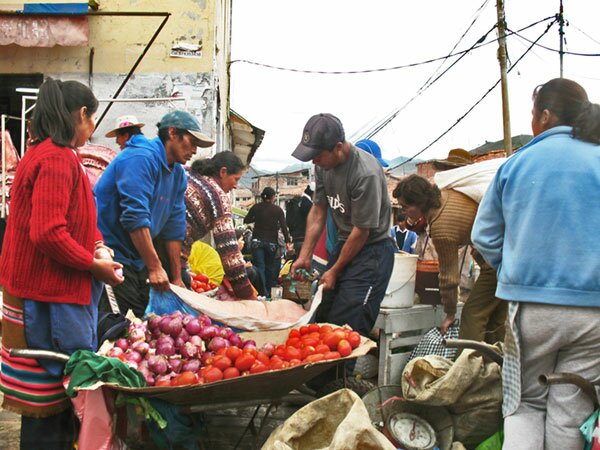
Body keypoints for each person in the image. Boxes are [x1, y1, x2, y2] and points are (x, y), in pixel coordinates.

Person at [472, 78, 600, 449]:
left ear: (544, 116)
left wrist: (514, 268)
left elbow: (484, 237)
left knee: (525, 403)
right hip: (594, 312)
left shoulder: (517, 164)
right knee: (571, 409)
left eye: (532, 113)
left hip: (533, 310)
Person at [0, 77, 123, 449]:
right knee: (54, 400)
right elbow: (48, 233)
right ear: (82, 114)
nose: (91, 130)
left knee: (55, 401)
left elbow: (71, 221)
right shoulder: (55, 158)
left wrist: (98, 245)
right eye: (92, 121)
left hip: (48, 292)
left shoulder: (47, 154)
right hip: (50, 297)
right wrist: (93, 264)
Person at [94, 110, 214, 317]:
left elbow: (174, 226)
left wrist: (176, 276)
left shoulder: (177, 173)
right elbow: (135, 217)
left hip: (139, 256)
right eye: (192, 142)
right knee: (118, 323)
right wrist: (155, 267)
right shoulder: (140, 158)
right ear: (173, 133)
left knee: (145, 319)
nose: (194, 150)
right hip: (112, 252)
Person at [291, 113, 395, 337]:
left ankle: (342, 372)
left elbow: (361, 231)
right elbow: (318, 209)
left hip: (372, 252)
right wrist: (305, 255)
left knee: (345, 326)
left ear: (338, 147)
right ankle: (320, 372)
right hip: (343, 243)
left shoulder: (365, 173)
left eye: (317, 155)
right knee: (322, 313)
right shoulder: (323, 167)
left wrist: (335, 270)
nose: (313, 161)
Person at [393, 174, 505, 342]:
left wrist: (450, 313)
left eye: (406, 207)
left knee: (472, 314)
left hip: (499, 263)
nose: (404, 212)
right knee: (494, 318)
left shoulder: (441, 227)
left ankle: (467, 366)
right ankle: (494, 363)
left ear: (419, 203)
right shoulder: (445, 195)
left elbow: (449, 277)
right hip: (509, 256)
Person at [183, 151, 257, 300]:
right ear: (223, 172)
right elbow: (229, 253)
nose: (236, 186)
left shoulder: (187, 173)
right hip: (166, 255)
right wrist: (248, 296)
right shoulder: (217, 197)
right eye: (235, 179)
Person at [244, 186, 292, 297]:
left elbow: (247, 220)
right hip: (271, 243)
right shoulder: (278, 210)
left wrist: (257, 218)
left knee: (260, 266)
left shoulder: (256, 207)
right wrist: (288, 242)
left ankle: (262, 293)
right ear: (272, 197)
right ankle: (269, 293)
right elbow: (284, 227)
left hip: (257, 241)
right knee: (269, 268)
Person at [286, 182, 314, 257]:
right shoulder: (308, 204)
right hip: (305, 240)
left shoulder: (296, 202)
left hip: (295, 240)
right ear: (313, 193)